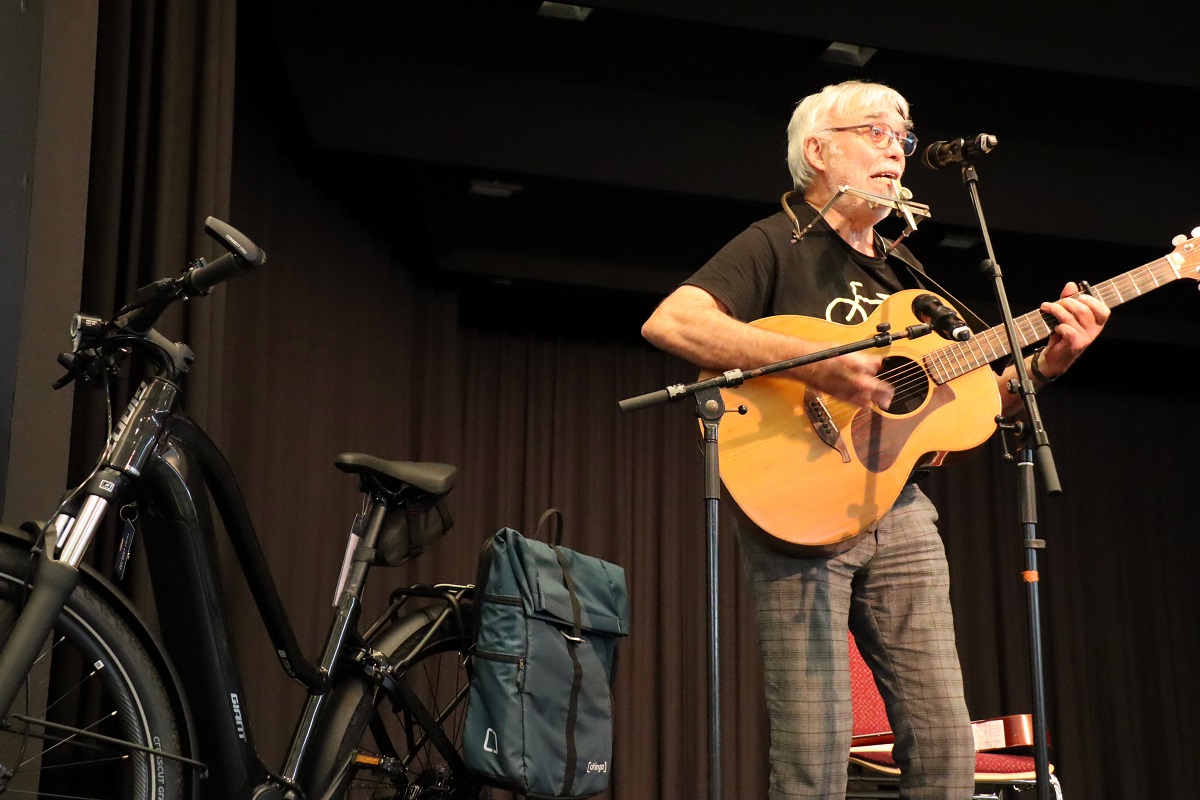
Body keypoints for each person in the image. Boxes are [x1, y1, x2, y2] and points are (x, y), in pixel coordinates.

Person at [640, 80, 1109, 799]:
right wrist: (820, 366)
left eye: (904, 139)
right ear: (818, 151)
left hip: (900, 504)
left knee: (945, 735)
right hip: (796, 500)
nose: (896, 150)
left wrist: (1049, 362)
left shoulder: (906, 272)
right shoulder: (777, 242)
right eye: (876, 133)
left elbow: (985, 403)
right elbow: (673, 322)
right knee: (814, 747)